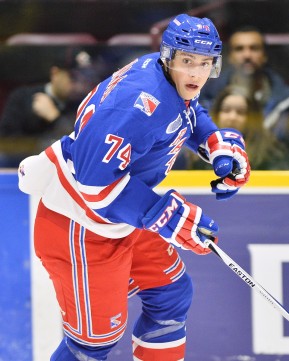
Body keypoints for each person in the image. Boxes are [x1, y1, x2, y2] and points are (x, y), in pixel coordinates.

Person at [18, 14, 250, 361]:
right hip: (80, 224)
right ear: (169, 56)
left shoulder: (163, 75)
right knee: (91, 346)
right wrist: (168, 216)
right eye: (188, 62)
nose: (196, 74)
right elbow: (94, 185)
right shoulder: (134, 103)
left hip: (122, 213)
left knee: (171, 294)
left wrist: (216, 142)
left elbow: (188, 111)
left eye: (206, 64)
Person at [0, 49, 98, 167]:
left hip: (66, 168)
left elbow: (83, 144)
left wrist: (55, 117)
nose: (78, 85)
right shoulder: (22, 97)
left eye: (84, 79)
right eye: (73, 78)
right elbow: (7, 142)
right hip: (22, 165)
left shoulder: (86, 103)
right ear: (55, 74)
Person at [199, 26, 289, 120]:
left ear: (264, 55)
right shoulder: (206, 99)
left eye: (254, 48)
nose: (247, 55)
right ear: (230, 56)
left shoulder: (284, 102)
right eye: (239, 49)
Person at [210, 85, 289, 170]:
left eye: (241, 112)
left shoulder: (272, 151)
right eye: (226, 110)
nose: (232, 117)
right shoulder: (202, 147)